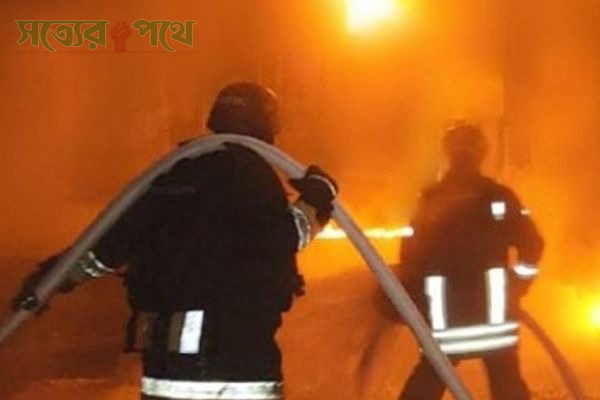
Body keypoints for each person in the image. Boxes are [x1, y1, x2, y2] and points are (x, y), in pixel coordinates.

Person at [11, 82, 338, 400]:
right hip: (234, 358)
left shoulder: (175, 174)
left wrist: (53, 278)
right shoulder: (250, 175)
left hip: (165, 362)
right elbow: (280, 238)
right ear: (266, 123)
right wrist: (316, 201)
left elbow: (111, 243)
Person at [396, 123, 544, 399]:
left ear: (447, 154)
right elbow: (532, 243)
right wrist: (519, 283)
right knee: (506, 381)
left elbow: (410, 256)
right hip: (495, 319)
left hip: (445, 321)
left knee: (429, 379)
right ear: (482, 154)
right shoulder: (500, 197)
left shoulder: (431, 199)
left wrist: (414, 296)